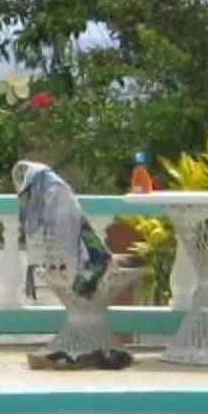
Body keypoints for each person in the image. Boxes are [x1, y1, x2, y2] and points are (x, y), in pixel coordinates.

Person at [12, 158, 134, 370]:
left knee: (116, 260)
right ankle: (92, 353)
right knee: (128, 260)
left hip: (53, 269)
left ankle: (75, 354)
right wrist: (74, 269)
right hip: (81, 267)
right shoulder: (59, 196)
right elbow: (72, 240)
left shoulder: (34, 209)